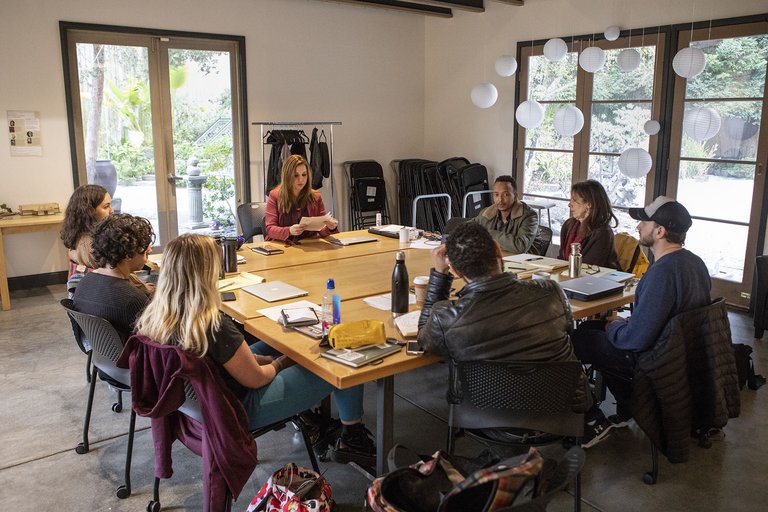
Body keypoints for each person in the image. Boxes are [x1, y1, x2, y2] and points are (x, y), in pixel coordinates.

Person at [133, 234, 376, 466]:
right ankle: (352, 437)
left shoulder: (157, 317)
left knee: (277, 342)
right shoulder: (213, 324)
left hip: (203, 404)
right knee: (339, 357)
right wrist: (283, 361)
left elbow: (228, 359)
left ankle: (314, 419)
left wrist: (267, 358)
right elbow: (256, 379)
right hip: (238, 409)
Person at [571, 196, 711, 447]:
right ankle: (628, 407)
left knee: (575, 340)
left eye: (644, 223)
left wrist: (616, 325)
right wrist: (618, 324)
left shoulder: (662, 273)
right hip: (679, 358)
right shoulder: (695, 263)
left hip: (654, 360)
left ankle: (592, 418)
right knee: (590, 328)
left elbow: (635, 340)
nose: (637, 227)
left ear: (659, 231)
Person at [416, 221, 590, 417]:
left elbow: (424, 340)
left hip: (484, 415)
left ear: (455, 271)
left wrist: (439, 275)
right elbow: (568, 332)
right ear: (498, 249)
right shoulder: (551, 292)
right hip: (562, 410)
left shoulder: (446, 316)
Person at [73, 213, 154, 341]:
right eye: (145, 253)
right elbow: (154, 338)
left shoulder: (84, 283)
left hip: (100, 350)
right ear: (128, 254)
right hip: (129, 352)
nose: (146, 258)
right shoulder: (132, 298)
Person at [265, 154, 338, 242]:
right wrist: (289, 231)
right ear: (287, 176)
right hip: (282, 244)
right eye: (296, 175)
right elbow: (270, 229)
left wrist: (331, 228)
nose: (301, 179)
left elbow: (322, 230)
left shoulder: (316, 196)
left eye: (304, 175)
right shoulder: (275, 195)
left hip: (308, 244)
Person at [60, 184, 113, 296]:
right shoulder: (91, 244)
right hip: (98, 297)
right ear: (89, 211)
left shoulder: (76, 235)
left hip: (82, 298)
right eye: (106, 207)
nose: (111, 210)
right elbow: (115, 274)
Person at [558, 180, 620, 270]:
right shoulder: (568, 225)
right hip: (570, 274)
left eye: (574, 200)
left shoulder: (603, 233)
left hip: (597, 277)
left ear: (589, 204)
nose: (569, 204)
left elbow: (589, 266)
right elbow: (561, 259)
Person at [471, 175, 538, 254]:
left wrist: (488, 233)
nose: (500, 199)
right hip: (495, 257)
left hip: (524, 260)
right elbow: (467, 229)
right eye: (496, 195)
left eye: (506, 194)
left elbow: (520, 246)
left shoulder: (529, 216)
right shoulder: (486, 213)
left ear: (515, 196)